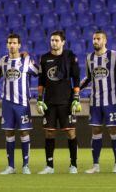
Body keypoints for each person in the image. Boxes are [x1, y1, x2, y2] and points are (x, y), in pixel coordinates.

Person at [0, 33, 38, 175]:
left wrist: (31, 59)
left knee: (24, 132)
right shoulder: (3, 61)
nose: (12, 45)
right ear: (7, 45)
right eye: (9, 43)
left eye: (14, 43)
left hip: (22, 103)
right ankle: (11, 166)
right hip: (7, 103)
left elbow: (37, 72)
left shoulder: (26, 60)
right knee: (9, 133)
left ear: (19, 45)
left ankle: (25, 165)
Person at [36, 30, 81, 174]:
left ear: (63, 42)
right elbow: (41, 81)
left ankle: (73, 164)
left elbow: (76, 79)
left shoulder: (70, 57)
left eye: (56, 40)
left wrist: (76, 98)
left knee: (71, 133)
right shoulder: (44, 58)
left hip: (66, 101)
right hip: (49, 102)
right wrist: (39, 99)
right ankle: (49, 166)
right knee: (49, 133)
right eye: (52, 40)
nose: (54, 43)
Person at [81, 30, 116, 174]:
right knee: (96, 130)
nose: (95, 41)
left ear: (105, 41)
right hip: (95, 102)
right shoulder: (89, 58)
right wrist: (75, 90)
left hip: (111, 101)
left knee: (113, 130)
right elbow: (87, 78)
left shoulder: (114, 55)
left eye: (98, 39)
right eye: (94, 39)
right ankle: (95, 165)